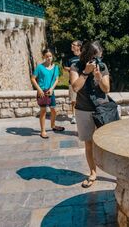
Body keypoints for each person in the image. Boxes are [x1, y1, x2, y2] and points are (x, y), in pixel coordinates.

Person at [70, 41, 110, 188]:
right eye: (95, 57)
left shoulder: (102, 66)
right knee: (89, 144)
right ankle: (93, 172)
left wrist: (99, 78)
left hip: (102, 110)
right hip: (83, 109)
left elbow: (106, 89)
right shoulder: (76, 66)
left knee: (107, 143)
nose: (97, 60)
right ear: (87, 55)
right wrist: (86, 72)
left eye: (99, 57)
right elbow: (75, 87)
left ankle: (113, 170)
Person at [31, 48, 65, 139]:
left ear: (52, 56)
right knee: (43, 111)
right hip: (42, 92)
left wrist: (52, 89)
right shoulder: (39, 67)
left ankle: (53, 125)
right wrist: (39, 90)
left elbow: (57, 79)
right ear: (44, 57)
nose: (49, 58)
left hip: (51, 92)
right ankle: (43, 131)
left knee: (53, 110)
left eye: (50, 56)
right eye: (47, 56)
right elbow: (33, 78)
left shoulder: (56, 67)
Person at [63, 40, 82, 124]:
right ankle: (74, 116)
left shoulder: (83, 56)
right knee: (73, 100)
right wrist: (74, 69)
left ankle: (82, 115)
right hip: (72, 82)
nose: (72, 46)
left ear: (79, 47)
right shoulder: (69, 57)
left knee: (83, 99)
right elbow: (65, 67)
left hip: (82, 82)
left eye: (74, 45)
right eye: (72, 44)